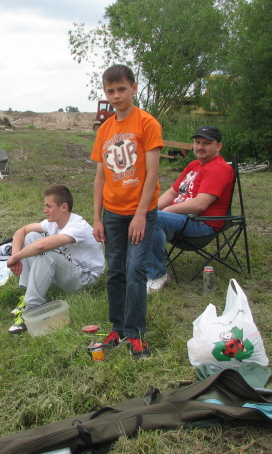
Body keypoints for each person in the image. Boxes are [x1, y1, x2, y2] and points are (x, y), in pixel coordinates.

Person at [90, 64, 163, 359]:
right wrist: (97, 217)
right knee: (115, 271)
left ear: (134, 88)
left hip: (140, 212)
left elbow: (153, 175)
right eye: (110, 91)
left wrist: (141, 214)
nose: (116, 95)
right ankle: (117, 328)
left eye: (122, 89)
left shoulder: (147, 124)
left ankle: (135, 333)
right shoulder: (105, 129)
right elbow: (99, 177)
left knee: (135, 271)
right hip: (112, 213)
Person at [6, 185, 105, 334]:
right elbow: (22, 230)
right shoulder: (53, 223)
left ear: (64, 207)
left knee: (46, 252)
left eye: (48, 206)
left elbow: (41, 246)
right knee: (31, 236)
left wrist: (17, 257)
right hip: (70, 269)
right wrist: (15, 255)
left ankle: (33, 308)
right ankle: (27, 295)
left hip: (86, 278)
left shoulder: (77, 226)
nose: (45, 211)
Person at [145, 126, 234, 291]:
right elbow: (173, 192)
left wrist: (162, 213)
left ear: (218, 146)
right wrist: (148, 209)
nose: (200, 146)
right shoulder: (194, 165)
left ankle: (157, 275)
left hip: (201, 224)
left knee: (152, 219)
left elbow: (200, 205)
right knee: (139, 214)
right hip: (182, 219)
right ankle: (138, 265)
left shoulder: (219, 169)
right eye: (197, 142)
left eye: (206, 143)